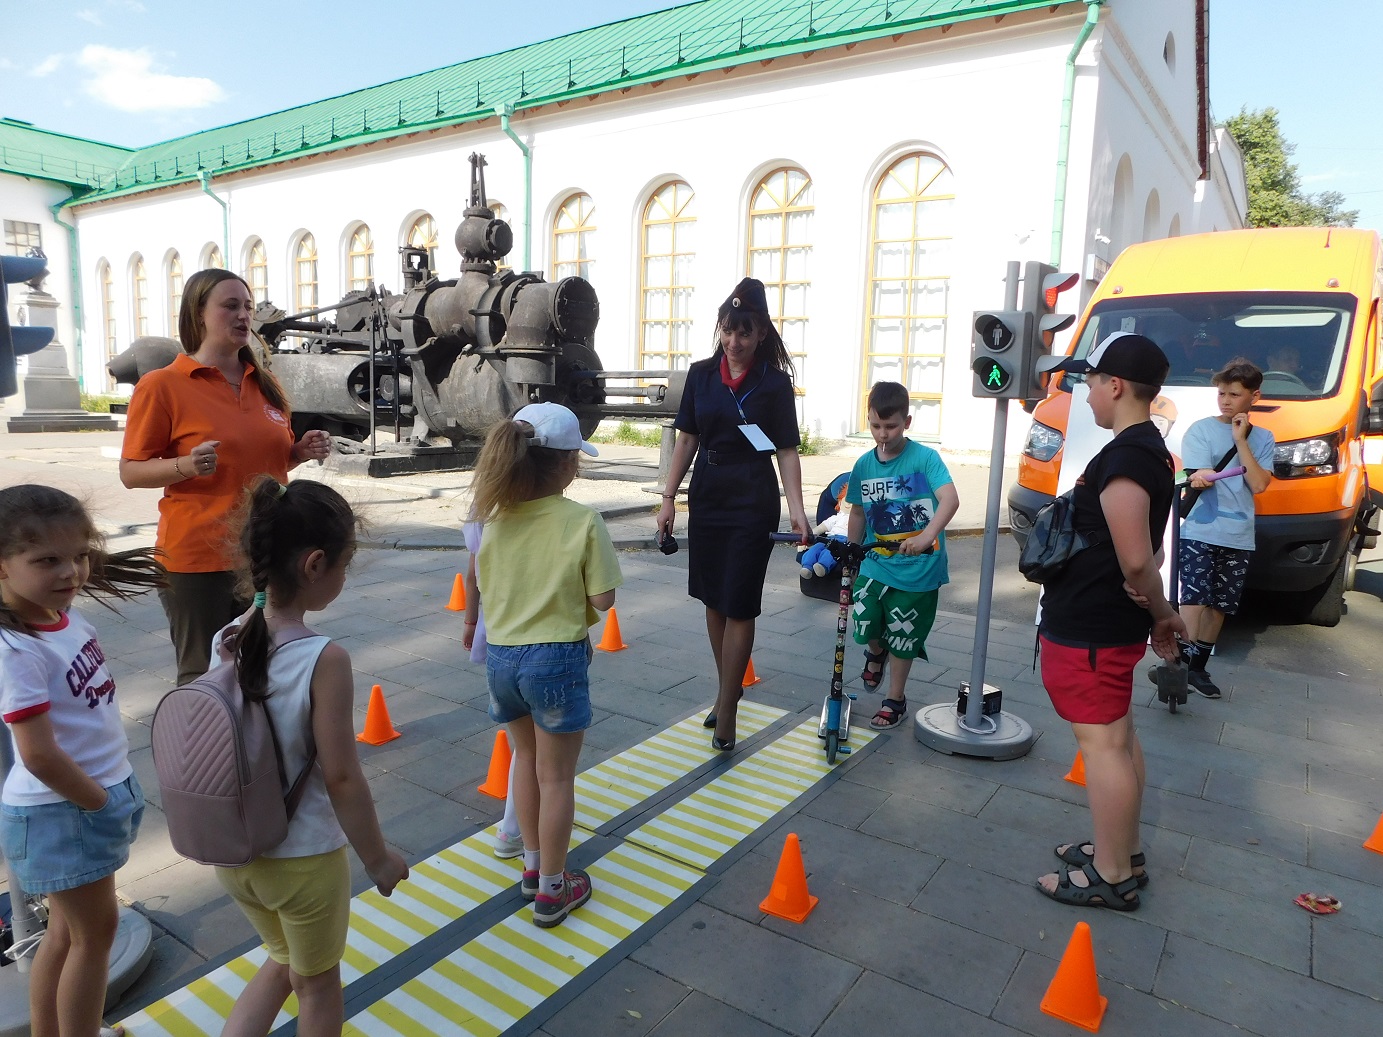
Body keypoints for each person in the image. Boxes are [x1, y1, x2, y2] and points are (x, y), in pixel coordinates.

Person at [216, 477, 408, 1036]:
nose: (344, 578)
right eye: (346, 565)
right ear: (316, 565)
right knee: (318, 985)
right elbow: (342, 775)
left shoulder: (228, 636)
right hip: (302, 860)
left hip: (236, 852)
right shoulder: (324, 658)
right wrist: (376, 858)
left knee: (281, 962)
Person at [0, 485, 163, 1037]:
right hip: (64, 808)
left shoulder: (61, 619)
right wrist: (98, 802)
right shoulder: (17, 648)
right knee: (97, 936)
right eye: (47, 560)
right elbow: (39, 754)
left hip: (79, 802)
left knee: (68, 935)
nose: (71, 571)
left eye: (79, 555)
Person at [1033, 332, 1187, 911]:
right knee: (1117, 739)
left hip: (1093, 625)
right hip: (1109, 621)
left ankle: (1112, 874)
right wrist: (1153, 605)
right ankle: (1121, 850)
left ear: (1115, 385)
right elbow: (1150, 550)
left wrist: (1163, 612)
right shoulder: (1148, 448)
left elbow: (1136, 557)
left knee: (1102, 746)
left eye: (1091, 382)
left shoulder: (1125, 456)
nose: (1087, 393)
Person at [119, 268, 332, 685]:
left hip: (265, 552)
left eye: (248, 307)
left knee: (264, 668)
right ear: (199, 313)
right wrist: (186, 465)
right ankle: (200, 751)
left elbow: (265, 467)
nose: (243, 316)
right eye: (230, 306)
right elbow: (130, 472)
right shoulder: (163, 386)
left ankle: (255, 750)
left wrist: (298, 453)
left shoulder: (266, 384)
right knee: (205, 677)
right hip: (198, 559)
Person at [471, 402, 622, 928]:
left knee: (526, 764)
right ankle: (555, 891)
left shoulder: (494, 521)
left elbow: (485, 590)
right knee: (557, 778)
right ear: (563, 465)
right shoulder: (581, 521)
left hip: (502, 661)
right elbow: (603, 600)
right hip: (555, 657)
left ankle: (533, 870)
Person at [655, 277, 811, 751]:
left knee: (740, 601)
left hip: (751, 498)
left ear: (761, 333)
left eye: (744, 332)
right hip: (709, 495)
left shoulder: (775, 383)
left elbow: (785, 451)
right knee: (713, 599)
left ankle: (727, 707)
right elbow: (686, 438)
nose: (734, 341)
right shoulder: (701, 375)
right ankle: (729, 687)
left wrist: (797, 511)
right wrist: (668, 498)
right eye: (728, 330)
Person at [845, 381, 959, 729]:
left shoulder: (925, 459)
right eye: (875, 425)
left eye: (890, 426)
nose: (882, 434)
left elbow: (951, 499)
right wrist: (852, 552)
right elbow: (858, 513)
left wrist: (927, 536)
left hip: (919, 568)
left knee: (903, 633)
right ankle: (875, 651)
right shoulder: (865, 465)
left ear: (906, 422)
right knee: (865, 612)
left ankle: (895, 699)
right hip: (877, 560)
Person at [1171, 358, 1274, 698]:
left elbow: (1259, 485)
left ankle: (1198, 668)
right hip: (1201, 528)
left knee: (1221, 605)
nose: (1226, 400)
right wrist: (1198, 478)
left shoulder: (1264, 438)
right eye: (1221, 393)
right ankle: (1179, 663)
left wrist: (1241, 440)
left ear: (1253, 396)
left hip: (1239, 534)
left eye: (1234, 394)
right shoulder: (1200, 429)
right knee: (1195, 597)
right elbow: (1199, 474)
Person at [461, 517, 523, 860]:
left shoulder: (484, 509)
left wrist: (471, 621)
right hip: (544, 641)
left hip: (499, 639)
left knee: (524, 746)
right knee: (542, 756)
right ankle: (517, 832)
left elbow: (473, 575)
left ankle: (513, 828)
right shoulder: (560, 513)